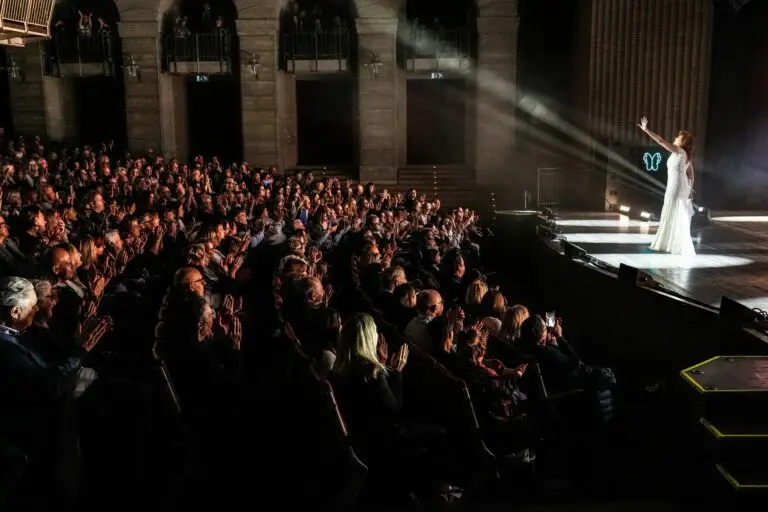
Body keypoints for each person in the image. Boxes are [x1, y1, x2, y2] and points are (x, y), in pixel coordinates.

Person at [637, 116, 696, 256]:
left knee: (673, 208)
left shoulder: (679, 151)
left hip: (677, 186)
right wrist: (690, 189)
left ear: (682, 141)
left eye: (678, 137)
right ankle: (670, 242)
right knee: (674, 210)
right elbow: (691, 175)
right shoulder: (684, 154)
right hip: (679, 185)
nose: (675, 138)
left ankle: (670, 243)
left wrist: (646, 130)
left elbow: (660, 140)